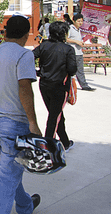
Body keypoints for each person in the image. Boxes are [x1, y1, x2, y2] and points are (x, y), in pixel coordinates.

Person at [0, 15, 42, 214]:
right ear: (26, 35)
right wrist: (33, 123)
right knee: (7, 177)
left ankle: (25, 205)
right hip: (13, 123)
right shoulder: (23, 55)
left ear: (6, 31)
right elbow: (25, 88)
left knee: (11, 168)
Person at [33, 21, 77, 151]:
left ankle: (65, 142)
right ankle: (48, 146)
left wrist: (36, 72)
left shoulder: (44, 45)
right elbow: (73, 70)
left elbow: (29, 56)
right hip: (60, 87)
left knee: (56, 114)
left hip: (44, 85)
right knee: (54, 117)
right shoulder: (68, 49)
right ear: (63, 33)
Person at [66, 13, 95, 91]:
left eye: (81, 21)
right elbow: (66, 39)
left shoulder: (79, 30)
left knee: (80, 70)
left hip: (79, 53)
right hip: (72, 53)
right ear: (74, 21)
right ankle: (67, 85)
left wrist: (81, 43)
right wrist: (76, 42)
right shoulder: (70, 29)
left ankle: (84, 85)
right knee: (69, 70)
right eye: (78, 21)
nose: (80, 23)